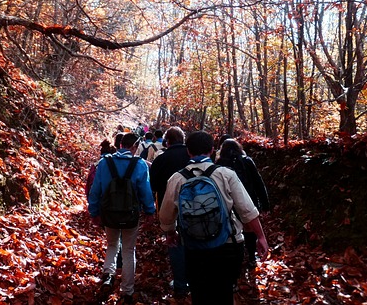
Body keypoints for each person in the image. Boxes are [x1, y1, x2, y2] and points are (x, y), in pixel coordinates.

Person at [159, 131, 269, 305]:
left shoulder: (177, 179)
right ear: (212, 150)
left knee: (199, 293)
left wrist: (170, 233)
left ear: (188, 151)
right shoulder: (226, 174)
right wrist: (261, 237)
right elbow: (247, 210)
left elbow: (165, 216)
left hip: (194, 246)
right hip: (228, 244)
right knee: (224, 292)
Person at [88, 133, 156, 303]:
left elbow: (95, 190)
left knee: (112, 245)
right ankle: (127, 290)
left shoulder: (105, 163)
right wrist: (150, 211)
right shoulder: (140, 165)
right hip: (130, 215)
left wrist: (94, 212)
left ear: (120, 145)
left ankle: (108, 275)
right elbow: (145, 192)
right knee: (128, 250)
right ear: (135, 146)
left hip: (109, 213)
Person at [149, 126, 191, 297]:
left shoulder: (161, 158)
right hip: (195, 205)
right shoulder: (192, 156)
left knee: (174, 241)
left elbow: (152, 184)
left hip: (169, 205)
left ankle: (180, 284)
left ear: (167, 141)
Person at [216, 138, 270, 269]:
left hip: (229, 202)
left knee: (233, 231)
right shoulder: (247, 161)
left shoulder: (219, 164)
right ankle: (251, 256)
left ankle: (236, 258)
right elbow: (258, 183)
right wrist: (265, 204)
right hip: (248, 200)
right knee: (249, 229)